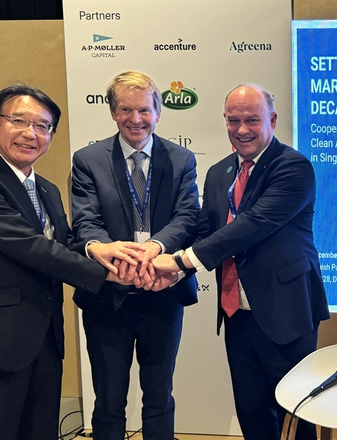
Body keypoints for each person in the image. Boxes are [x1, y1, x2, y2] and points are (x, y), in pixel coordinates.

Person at [0, 84, 137, 440]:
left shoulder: (47, 188)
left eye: (43, 126)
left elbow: (63, 244)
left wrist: (99, 250)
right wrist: (110, 274)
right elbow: (29, 247)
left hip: (44, 343)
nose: (30, 134)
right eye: (19, 121)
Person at [153, 84, 330, 440]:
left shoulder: (292, 167)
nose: (242, 129)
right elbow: (207, 230)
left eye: (252, 119)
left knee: (296, 416)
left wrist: (182, 262)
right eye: (233, 120)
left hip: (286, 312)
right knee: (251, 411)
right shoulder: (219, 172)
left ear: (272, 120)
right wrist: (163, 262)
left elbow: (253, 225)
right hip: (237, 314)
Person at [71, 70, 199, 440]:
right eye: (125, 109)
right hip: (108, 299)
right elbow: (85, 222)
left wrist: (154, 248)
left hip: (163, 295)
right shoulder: (88, 160)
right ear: (113, 112)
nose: (135, 119)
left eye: (144, 110)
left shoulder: (182, 159)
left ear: (158, 112)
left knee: (159, 398)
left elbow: (187, 217)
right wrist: (118, 255)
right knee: (109, 402)